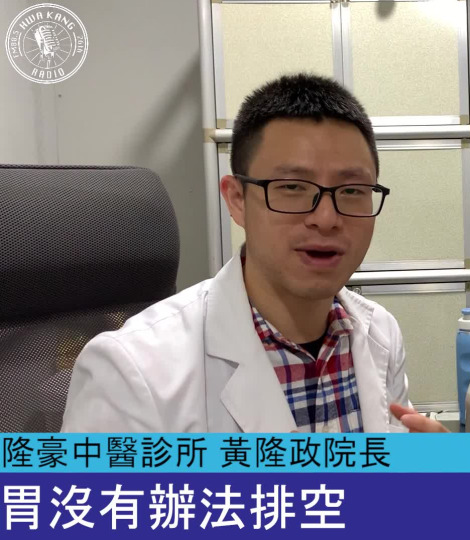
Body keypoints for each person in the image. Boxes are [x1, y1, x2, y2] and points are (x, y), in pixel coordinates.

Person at [61, 73, 447, 434]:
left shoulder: (380, 333)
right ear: (237, 200)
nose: (327, 219)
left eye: (352, 191)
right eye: (292, 187)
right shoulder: (130, 373)